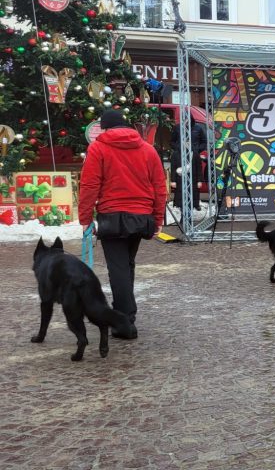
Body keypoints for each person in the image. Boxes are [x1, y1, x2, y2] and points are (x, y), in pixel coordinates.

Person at [78, 110, 167, 340]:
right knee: (126, 266)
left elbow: (89, 186)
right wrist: (158, 219)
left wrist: (85, 219)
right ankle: (125, 315)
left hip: (112, 217)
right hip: (141, 217)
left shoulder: (98, 148)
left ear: (106, 129)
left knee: (118, 268)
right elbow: (159, 187)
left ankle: (125, 322)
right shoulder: (148, 149)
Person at [169, 116, 206, 210]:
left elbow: (204, 142)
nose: (186, 122)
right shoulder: (177, 128)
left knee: (193, 184)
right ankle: (179, 204)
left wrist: (197, 150)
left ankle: (195, 204)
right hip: (180, 157)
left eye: (188, 120)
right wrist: (178, 148)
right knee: (181, 183)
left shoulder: (198, 128)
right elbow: (172, 142)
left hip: (194, 156)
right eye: (184, 120)